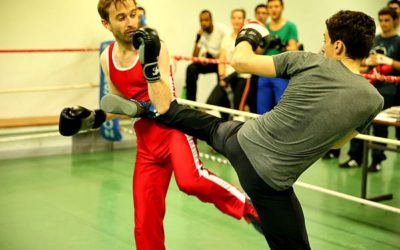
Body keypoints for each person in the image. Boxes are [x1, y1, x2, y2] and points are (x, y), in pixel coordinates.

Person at [103, 10, 383, 249]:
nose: (322, 48)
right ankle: (149, 107)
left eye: (324, 42)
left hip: (240, 138)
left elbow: (239, 62)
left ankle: (147, 107)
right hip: (270, 182)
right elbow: (336, 143)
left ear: (338, 47)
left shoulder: (308, 61)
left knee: (192, 119)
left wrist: (248, 33)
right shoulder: (373, 100)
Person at [60, 1, 261, 250]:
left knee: (191, 181)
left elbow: (163, 105)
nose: (131, 22)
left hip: (174, 130)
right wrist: (90, 118)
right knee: (145, 221)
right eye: (121, 18)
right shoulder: (107, 58)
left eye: (133, 14)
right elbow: (119, 105)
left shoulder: (157, 48)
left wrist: (150, 66)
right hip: (146, 144)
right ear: (106, 24)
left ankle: (247, 206)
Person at [340, 7, 400, 172]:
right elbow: (361, 63)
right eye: (381, 20)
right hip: (367, 86)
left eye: (387, 20)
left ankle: (377, 160)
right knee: (359, 123)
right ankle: (355, 157)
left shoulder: (398, 41)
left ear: (394, 21)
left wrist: (388, 61)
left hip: (387, 89)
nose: (384, 23)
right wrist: (369, 64)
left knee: (380, 127)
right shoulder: (374, 40)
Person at [256, 0, 299, 114]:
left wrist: (282, 46)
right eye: (270, 7)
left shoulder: (290, 26)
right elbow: (258, 52)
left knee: (281, 110)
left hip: (281, 72)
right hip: (264, 71)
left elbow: (294, 50)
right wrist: (265, 43)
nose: (273, 9)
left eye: (276, 6)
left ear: (282, 7)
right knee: (261, 111)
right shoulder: (263, 27)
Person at [206, 9, 250, 119]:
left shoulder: (247, 38)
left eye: (239, 18)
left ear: (244, 20)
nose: (236, 20)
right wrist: (222, 77)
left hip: (241, 77)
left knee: (237, 111)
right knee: (211, 103)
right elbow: (222, 59)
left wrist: (227, 79)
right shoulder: (226, 38)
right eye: (234, 17)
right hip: (226, 78)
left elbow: (244, 63)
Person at [185, 10, 226, 101]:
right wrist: (197, 38)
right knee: (191, 68)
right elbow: (194, 57)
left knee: (222, 81)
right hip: (211, 60)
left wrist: (219, 55)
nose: (203, 23)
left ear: (211, 20)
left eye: (206, 20)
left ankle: (222, 105)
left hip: (223, 61)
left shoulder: (222, 29)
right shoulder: (201, 33)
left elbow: (229, 46)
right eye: (201, 20)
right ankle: (191, 102)